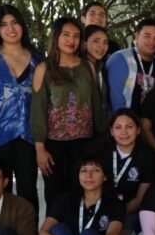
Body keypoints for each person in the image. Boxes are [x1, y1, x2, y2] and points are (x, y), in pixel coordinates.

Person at [0, 4, 44, 210]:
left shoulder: (38, 59)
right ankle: (2, 231)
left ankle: (28, 231)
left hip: (28, 136)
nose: (10, 29)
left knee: (28, 191)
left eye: (15, 23)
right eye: (3, 25)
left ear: (22, 26)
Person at [31, 17, 107, 207]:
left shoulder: (88, 66)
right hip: (53, 144)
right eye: (66, 35)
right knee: (55, 194)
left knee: (81, 192)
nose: (71, 40)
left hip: (84, 142)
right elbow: (38, 109)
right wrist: (40, 149)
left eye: (76, 36)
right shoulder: (44, 68)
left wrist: (104, 138)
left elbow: (97, 104)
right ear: (56, 37)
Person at [97, 109, 155, 232]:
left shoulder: (147, 157)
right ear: (111, 131)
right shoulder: (101, 153)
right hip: (100, 211)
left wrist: (116, 215)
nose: (124, 132)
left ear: (138, 130)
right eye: (118, 127)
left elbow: (140, 199)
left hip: (131, 212)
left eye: (129, 127)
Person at [105, 18, 155, 113]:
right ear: (136, 37)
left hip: (150, 120)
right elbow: (115, 100)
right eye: (147, 36)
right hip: (124, 119)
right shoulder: (120, 59)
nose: (152, 41)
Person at [83, 24, 111, 105]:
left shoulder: (101, 67)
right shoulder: (79, 68)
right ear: (84, 43)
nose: (102, 46)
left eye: (105, 42)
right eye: (96, 41)